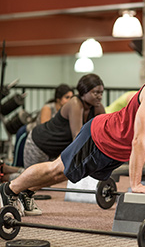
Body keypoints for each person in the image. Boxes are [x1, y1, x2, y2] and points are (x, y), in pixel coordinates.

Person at [0, 43, 145, 217]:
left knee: (64, 174)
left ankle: (27, 191)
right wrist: (136, 184)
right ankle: (10, 189)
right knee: (55, 169)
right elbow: (140, 140)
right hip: (101, 137)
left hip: (116, 151)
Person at [20, 73, 105, 216]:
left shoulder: (97, 108)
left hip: (54, 149)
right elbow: (78, 137)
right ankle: (8, 187)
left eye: (101, 93)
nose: (99, 96)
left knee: (48, 177)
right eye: (95, 92)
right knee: (32, 177)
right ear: (84, 91)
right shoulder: (75, 103)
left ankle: (22, 193)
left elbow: (103, 133)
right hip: (38, 143)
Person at [13, 84, 74, 167]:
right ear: (58, 99)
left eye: (72, 97)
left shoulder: (69, 112)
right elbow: (45, 131)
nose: (70, 100)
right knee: (18, 164)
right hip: (26, 134)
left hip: (43, 143)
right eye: (67, 97)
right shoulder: (48, 108)